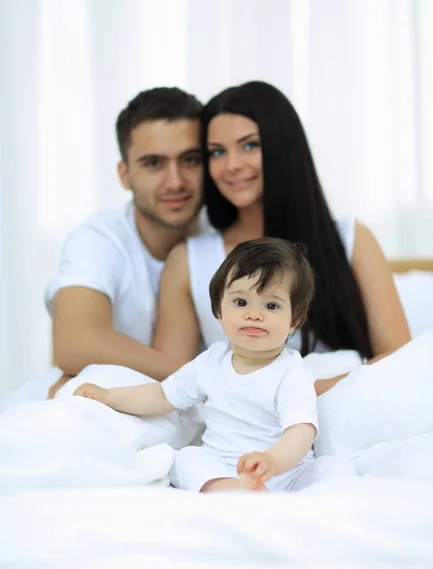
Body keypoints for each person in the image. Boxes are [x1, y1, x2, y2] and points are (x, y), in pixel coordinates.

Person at [152, 81, 411, 395]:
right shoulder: (188, 261)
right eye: (217, 152)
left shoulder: (351, 239)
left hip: (344, 409)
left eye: (250, 145)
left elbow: (398, 357)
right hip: (247, 424)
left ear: (282, 147)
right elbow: (171, 381)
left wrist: (302, 394)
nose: (232, 165)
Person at [74, 238, 355, 493]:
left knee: (333, 468)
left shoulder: (292, 372)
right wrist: (108, 396)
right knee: (184, 457)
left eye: (271, 306)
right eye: (241, 302)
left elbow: (301, 433)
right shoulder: (210, 362)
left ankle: (294, 500)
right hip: (224, 468)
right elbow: (162, 395)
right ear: (219, 311)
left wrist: (271, 461)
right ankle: (230, 491)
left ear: (295, 319)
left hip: (287, 473)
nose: (254, 314)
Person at [45, 87, 207, 397]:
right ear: (124, 175)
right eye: (153, 164)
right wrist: (203, 379)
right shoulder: (100, 239)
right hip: (114, 401)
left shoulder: (225, 233)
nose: (175, 181)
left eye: (190, 160)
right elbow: (73, 342)